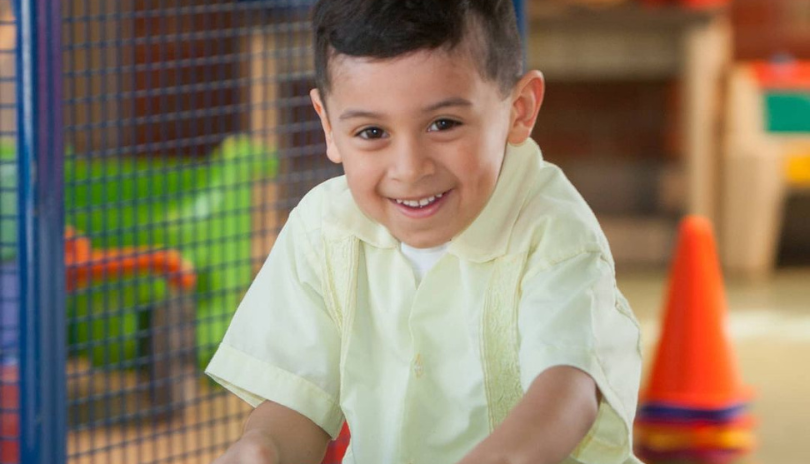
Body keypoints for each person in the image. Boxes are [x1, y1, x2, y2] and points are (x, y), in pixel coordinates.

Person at [206, 0, 643, 463]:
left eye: (443, 124)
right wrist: (264, 447)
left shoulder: (553, 231)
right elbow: (298, 404)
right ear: (328, 125)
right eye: (372, 132)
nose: (410, 169)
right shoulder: (323, 228)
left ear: (519, 110)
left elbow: (566, 393)